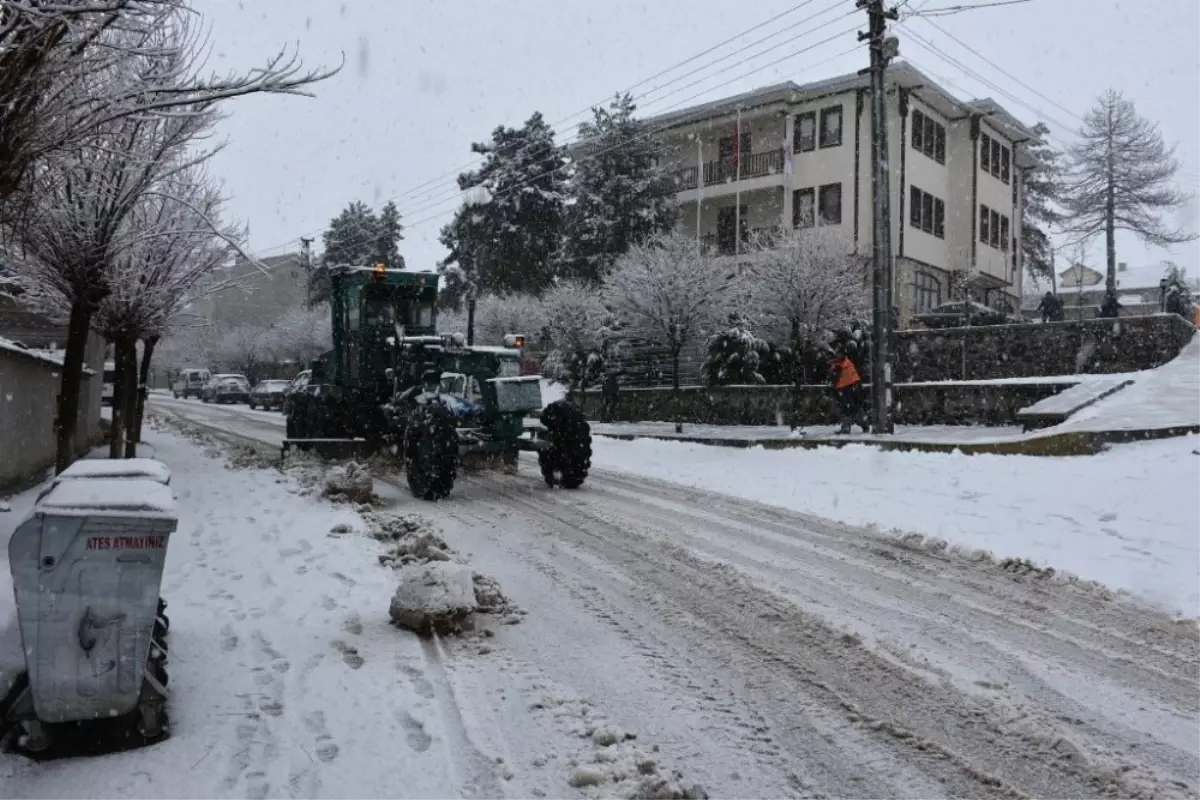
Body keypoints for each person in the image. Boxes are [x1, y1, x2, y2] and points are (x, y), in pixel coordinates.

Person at [828, 350, 869, 435]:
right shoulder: (845, 363)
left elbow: (836, 379)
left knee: (847, 409)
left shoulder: (841, 365)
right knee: (854, 408)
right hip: (852, 388)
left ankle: (848, 427)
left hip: (849, 389)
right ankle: (863, 424)